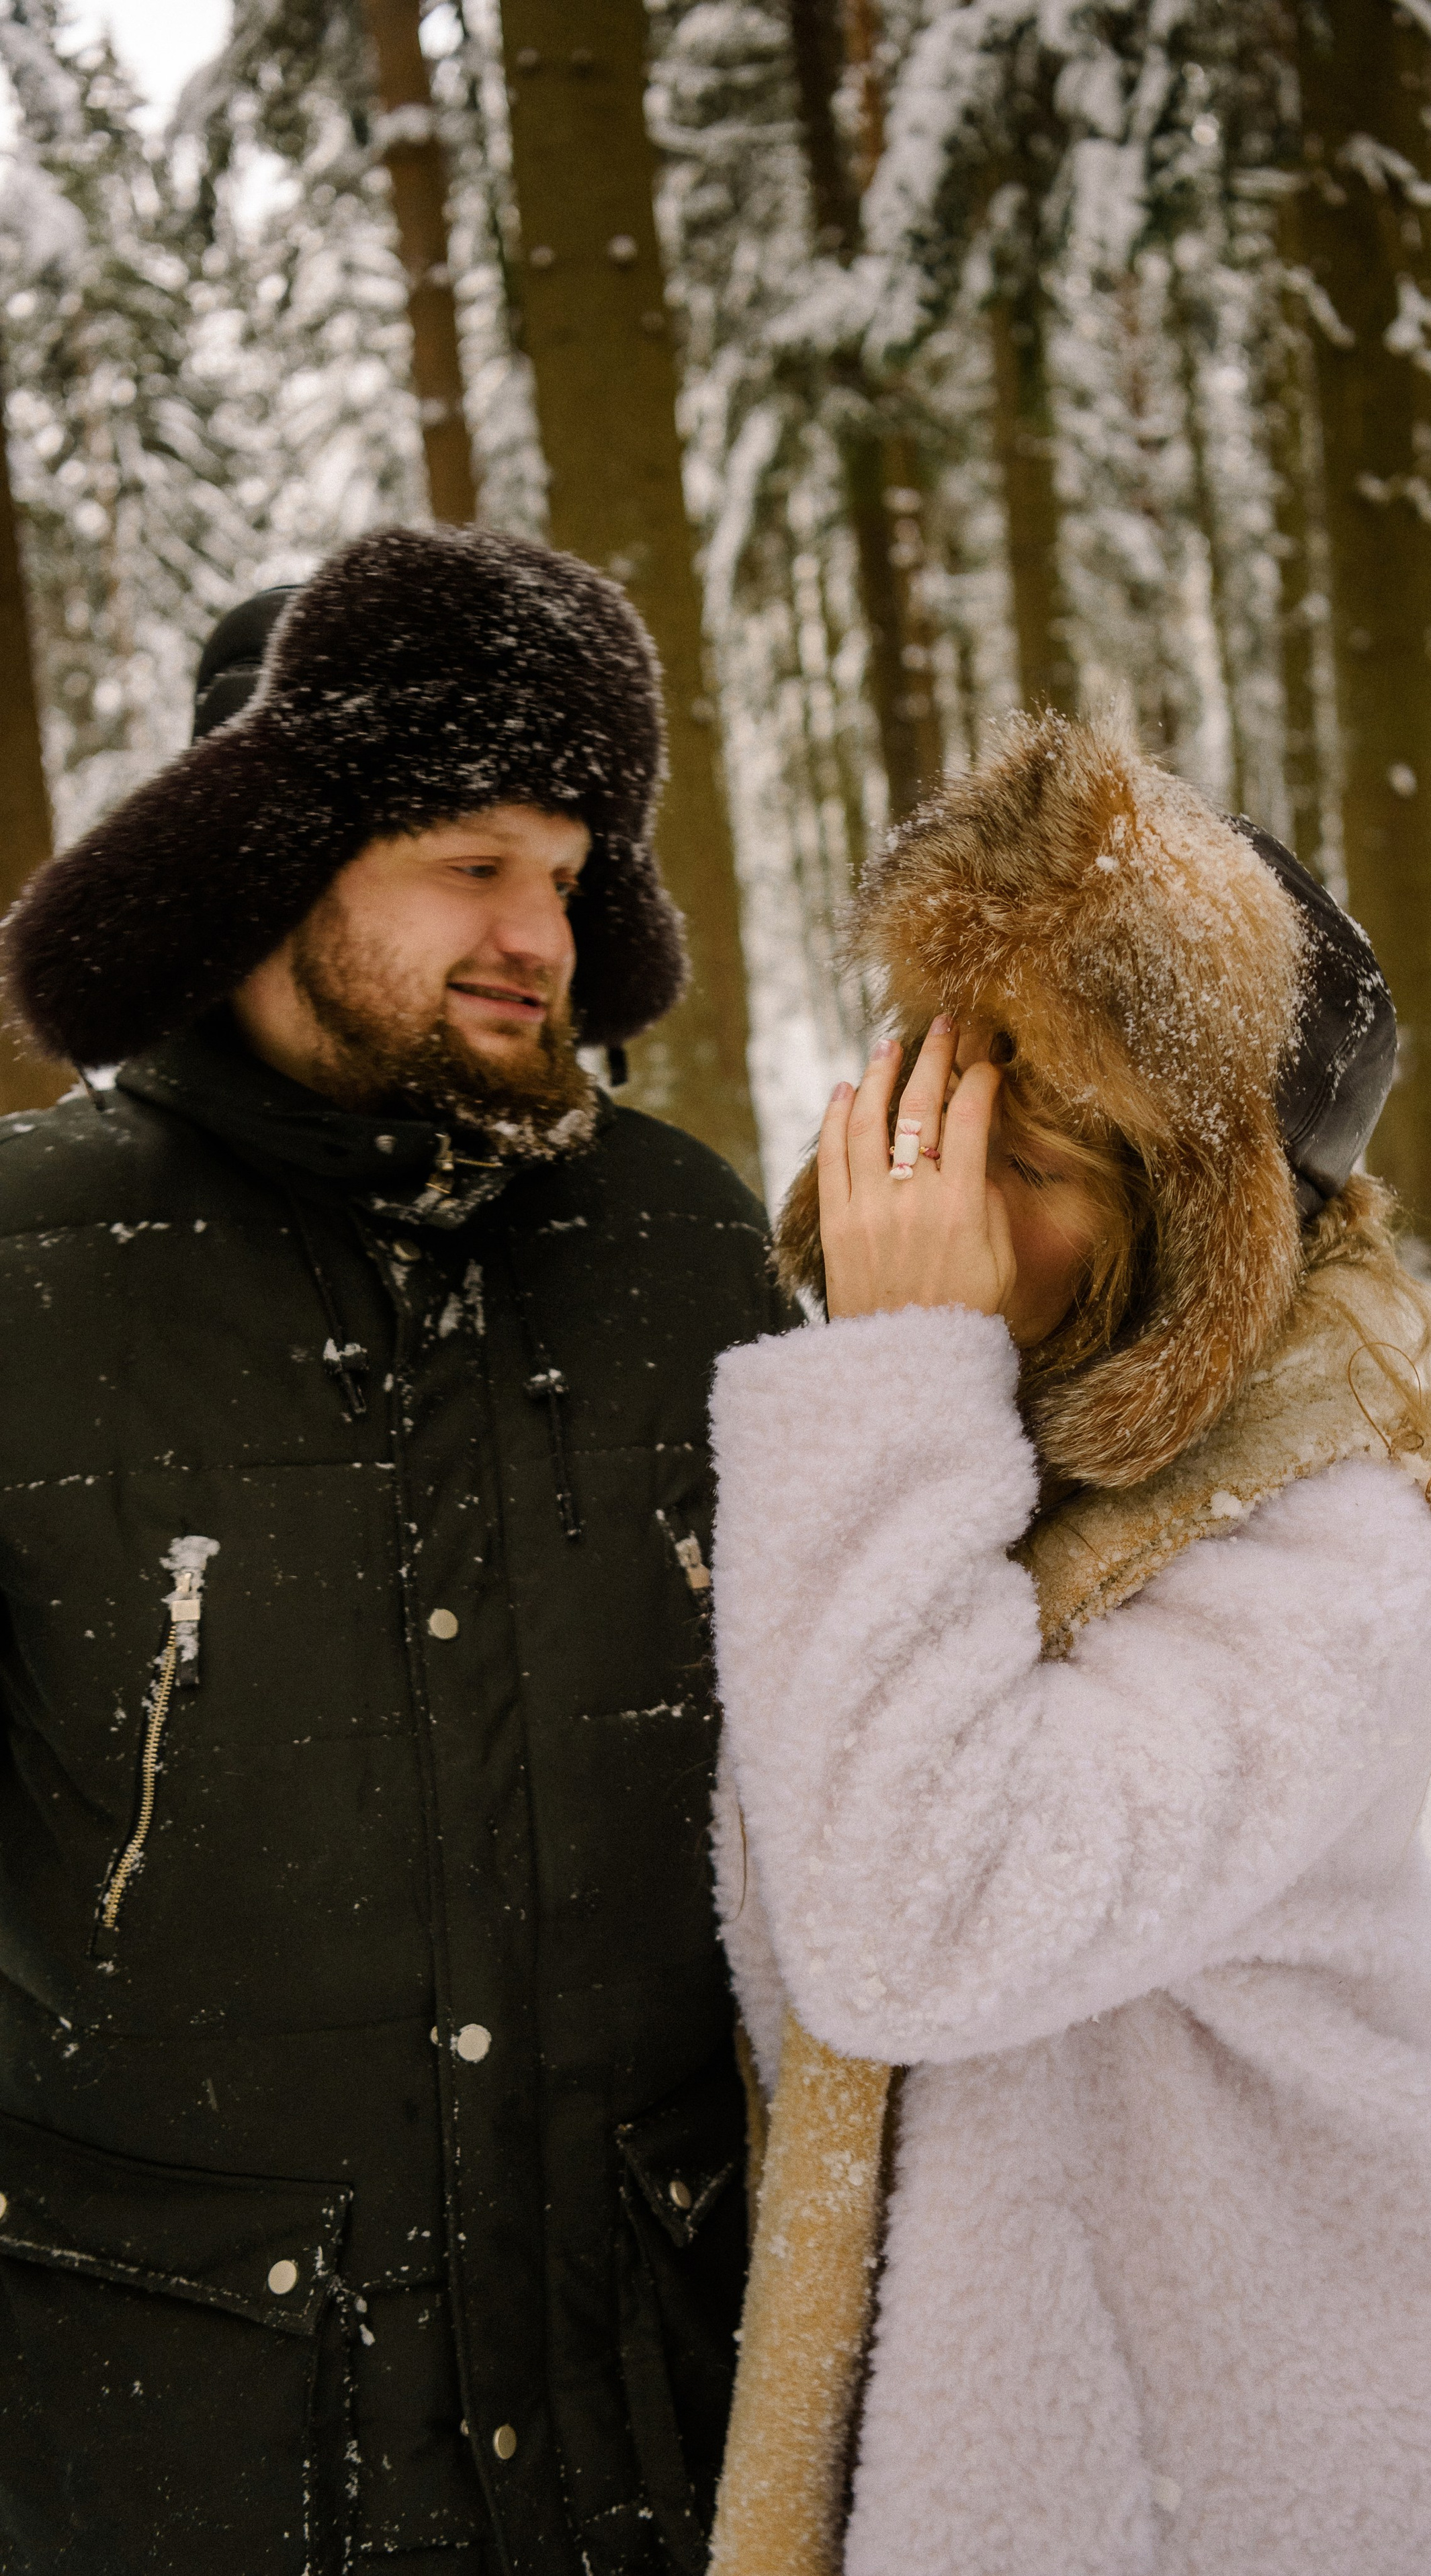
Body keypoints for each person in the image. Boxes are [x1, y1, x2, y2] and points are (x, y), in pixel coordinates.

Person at [703, 714, 1431, 2576]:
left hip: (1291, 2453)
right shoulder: (982, 1458)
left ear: (1199, 1247)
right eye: (936, 1096)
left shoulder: (1331, 1547)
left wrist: (894, 1382)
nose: (934, 1187)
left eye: (1022, 1148)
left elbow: (910, 1918)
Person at [0, 525, 787, 2576]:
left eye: (573, 864)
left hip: (658, 2440)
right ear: (265, 858)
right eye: (473, 861)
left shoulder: (682, 1247)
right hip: (184, 2459)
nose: (549, 925)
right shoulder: (23, 1282)